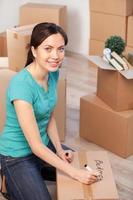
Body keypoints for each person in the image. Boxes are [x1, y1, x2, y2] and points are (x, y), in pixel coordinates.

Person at [0, 22, 97, 200]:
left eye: (60, 49)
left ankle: (35, 173)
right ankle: (8, 179)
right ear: (34, 51)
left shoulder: (53, 72)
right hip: (17, 155)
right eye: (48, 48)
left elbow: (49, 117)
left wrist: (59, 151)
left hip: (43, 147)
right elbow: (35, 145)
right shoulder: (21, 86)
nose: (56, 56)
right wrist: (73, 173)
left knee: (85, 168)